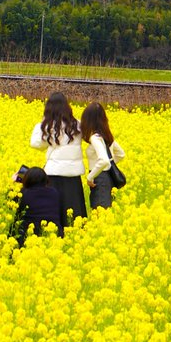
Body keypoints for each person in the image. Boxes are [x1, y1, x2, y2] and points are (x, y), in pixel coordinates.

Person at [29, 91, 93, 227]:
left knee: (53, 212)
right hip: (73, 176)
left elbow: (35, 144)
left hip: (53, 174)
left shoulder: (48, 127)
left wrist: (40, 126)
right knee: (74, 212)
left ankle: (54, 233)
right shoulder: (77, 125)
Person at [80, 101, 125, 211]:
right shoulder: (106, 136)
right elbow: (121, 154)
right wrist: (108, 167)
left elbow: (104, 160)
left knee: (100, 212)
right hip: (109, 178)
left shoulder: (95, 138)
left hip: (99, 180)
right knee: (105, 212)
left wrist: (90, 177)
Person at [14, 166, 63, 246]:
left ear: (27, 179)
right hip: (53, 234)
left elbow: (10, 206)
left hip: (29, 236)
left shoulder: (23, 193)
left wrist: (13, 182)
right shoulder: (54, 192)